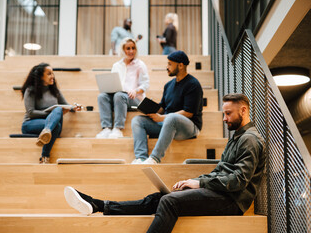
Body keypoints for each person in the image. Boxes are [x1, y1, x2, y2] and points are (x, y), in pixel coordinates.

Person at [64, 93, 266, 233]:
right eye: (223, 113)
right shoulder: (238, 137)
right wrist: (193, 181)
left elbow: (239, 180)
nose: (224, 118)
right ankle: (98, 205)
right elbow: (221, 173)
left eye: (228, 113)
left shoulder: (249, 139)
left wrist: (200, 184)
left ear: (243, 110)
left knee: (169, 202)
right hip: (220, 194)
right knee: (159, 197)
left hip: (232, 202)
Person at [131, 50, 203, 164]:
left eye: (170, 64)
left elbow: (189, 113)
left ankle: (154, 158)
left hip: (189, 127)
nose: (167, 67)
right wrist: (148, 108)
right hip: (167, 124)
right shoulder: (168, 85)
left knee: (171, 118)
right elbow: (162, 108)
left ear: (180, 65)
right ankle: (141, 158)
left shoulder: (193, 84)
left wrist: (162, 118)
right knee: (137, 120)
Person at [21, 63, 81, 164]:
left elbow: (65, 105)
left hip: (48, 124)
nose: (52, 76)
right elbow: (31, 113)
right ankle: (45, 156)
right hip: (31, 123)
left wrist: (73, 108)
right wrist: (50, 114)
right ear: (40, 76)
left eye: (53, 73)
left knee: (57, 110)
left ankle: (46, 131)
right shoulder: (30, 90)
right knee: (56, 124)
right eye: (49, 74)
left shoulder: (55, 90)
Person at [96, 37, 150, 139]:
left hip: (135, 99)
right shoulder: (116, 65)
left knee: (119, 95)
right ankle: (106, 128)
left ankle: (118, 129)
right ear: (123, 50)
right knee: (102, 96)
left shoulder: (140, 65)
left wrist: (135, 91)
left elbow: (146, 84)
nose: (131, 51)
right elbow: (112, 82)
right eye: (128, 48)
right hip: (118, 97)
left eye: (133, 48)